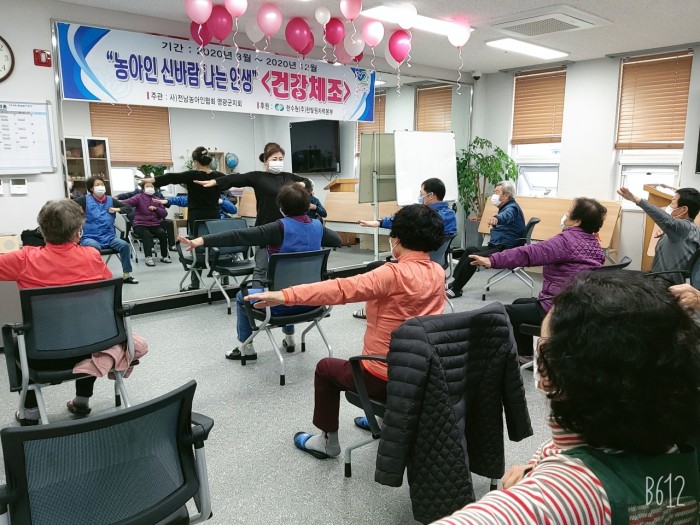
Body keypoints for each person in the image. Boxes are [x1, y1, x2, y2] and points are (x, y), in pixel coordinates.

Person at [433, 271, 700, 524]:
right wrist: (534, 470)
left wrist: (544, 481)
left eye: (543, 347)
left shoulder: (569, 494)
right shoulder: (681, 441)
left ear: (550, 377)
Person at [245, 204, 446, 459]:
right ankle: (385, 420)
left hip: (382, 376)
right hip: (422, 372)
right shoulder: (438, 272)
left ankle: (326, 442)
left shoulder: (393, 274)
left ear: (397, 238)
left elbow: (340, 289)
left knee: (326, 369)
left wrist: (284, 295)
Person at [180, 183, 342, 359]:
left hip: (278, 305)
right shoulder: (318, 226)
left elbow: (238, 236)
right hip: (313, 301)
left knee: (243, 297)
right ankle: (289, 338)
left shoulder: (277, 228)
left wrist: (202, 240)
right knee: (292, 285)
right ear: (307, 205)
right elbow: (338, 240)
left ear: (281, 208)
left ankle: (246, 348)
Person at [0, 199, 113, 424]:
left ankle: (30, 411)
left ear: (42, 231)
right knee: (86, 323)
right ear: (78, 231)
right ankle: (82, 400)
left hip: (41, 355)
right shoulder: (92, 256)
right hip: (92, 349)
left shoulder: (22, 259)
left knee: (14, 336)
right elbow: (104, 289)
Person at [470, 198, 607, 357]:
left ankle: (510, 355)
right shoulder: (595, 245)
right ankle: (527, 353)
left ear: (577, 221)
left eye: (569, 211)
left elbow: (528, 253)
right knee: (520, 302)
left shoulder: (565, 241)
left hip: (559, 307)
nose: (566, 214)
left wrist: (493, 260)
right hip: (583, 307)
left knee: (500, 313)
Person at [194, 142, 305, 281]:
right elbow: (236, 178)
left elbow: (306, 182)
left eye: (281, 159)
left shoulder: (288, 177)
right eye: (274, 159)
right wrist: (215, 182)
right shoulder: (258, 177)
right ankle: (257, 294)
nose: (278, 162)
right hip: (265, 228)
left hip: (286, 229)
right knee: (261, 269)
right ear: (265, 161)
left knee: (285, 268)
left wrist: (304, 184)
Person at [352, 177, 457, 319]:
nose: (420, 197)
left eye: (421, 194)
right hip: (437, 265)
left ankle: (371, 309)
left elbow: (406, 222)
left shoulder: (428, 217)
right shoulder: (450, 215)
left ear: (431, 195)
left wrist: (380, 222)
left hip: (417, 265)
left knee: (375, 266)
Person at [143, 147, 223, 289]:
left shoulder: (192, 175)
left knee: (195, 247)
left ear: (195, 162)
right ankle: (224, 278)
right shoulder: (219, 176)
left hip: (197, 218)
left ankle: (195, 283)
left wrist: (153, 180)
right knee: (217, 245)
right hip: (214, 217)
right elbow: (234, 180)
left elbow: (172, 177)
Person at [447, 180, 524, 298]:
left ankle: (456, 289)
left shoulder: (512, 207)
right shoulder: (506, 206)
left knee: (473, 257)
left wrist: (497, 218)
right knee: (469, 250)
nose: (494, 195)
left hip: (505, 248)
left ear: (505, 196)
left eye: (497, 192)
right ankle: (455, 282)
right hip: (497, 245)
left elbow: (506, 215)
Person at [618, 186, 700, 283]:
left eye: (672, 203)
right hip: (659, 281)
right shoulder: (687, 230)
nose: (668, 207)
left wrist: (637, 200)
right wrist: (666, 232)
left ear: (683, 210)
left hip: (667, 286)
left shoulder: (685, 228)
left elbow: (668, 221)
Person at [74, 176, 138, 284]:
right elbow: (68, 206)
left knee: (124, 245)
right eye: (97, 185)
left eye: (102, 184)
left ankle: (126, 275)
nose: (100, 187)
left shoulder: (110, 200)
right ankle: (97, 276)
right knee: (94, 248)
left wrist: (117, 209)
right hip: (90, 237)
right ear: (91, 188)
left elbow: (128, 208)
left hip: (109, 237)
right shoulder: (84, 200)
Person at [119, 180, 170, 267]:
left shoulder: (157, 199)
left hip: (154, 224)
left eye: (151, 186)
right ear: (143, 189)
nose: (150, 188)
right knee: (146, 234)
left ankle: (164, 256)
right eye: (147, 186)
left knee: (162, 233)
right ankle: (148, 257)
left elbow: (164, 214)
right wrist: (113, 202)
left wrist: (156, 209)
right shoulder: (138, 197)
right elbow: (127, 202)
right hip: (140, 224)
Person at [155, 193, 238, 220]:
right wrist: (168, 200)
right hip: (203, 224)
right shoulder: (197, 197)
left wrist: (222, 202)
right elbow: (181, 199)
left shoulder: (220, 197)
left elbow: (234, 210)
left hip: (220, 223)